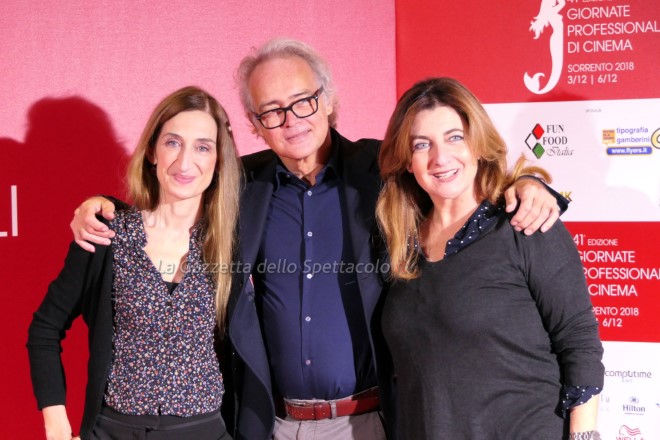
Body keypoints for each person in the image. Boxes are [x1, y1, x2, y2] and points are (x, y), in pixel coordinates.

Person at [69, 39, 566, 440]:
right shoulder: (240, 185)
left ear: (328, 101)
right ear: (256, 126)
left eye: (304, 101)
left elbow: (457, 184)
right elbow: (174, 196)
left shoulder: (383, 171)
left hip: (372, 421)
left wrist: (530, 186)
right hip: (275, 424)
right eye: (272, 111)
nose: (292, 120)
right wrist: (103, 206)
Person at [376, 77, 604, 439]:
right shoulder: (401, 244)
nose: (441, 158)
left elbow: (578, 342)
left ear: (478, 144)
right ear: (406, 160)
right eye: (422, 144)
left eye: (455, 137)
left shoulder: (525, 224)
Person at [27, 86, 240, 440]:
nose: (185, 162)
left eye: (203, 147)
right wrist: (57, 426)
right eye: (173, 142)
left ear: (219, 159)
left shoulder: (232, 241)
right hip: (114, 429)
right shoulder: (106, 234)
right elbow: (44, 330)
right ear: (153, 151)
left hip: (205, 431)